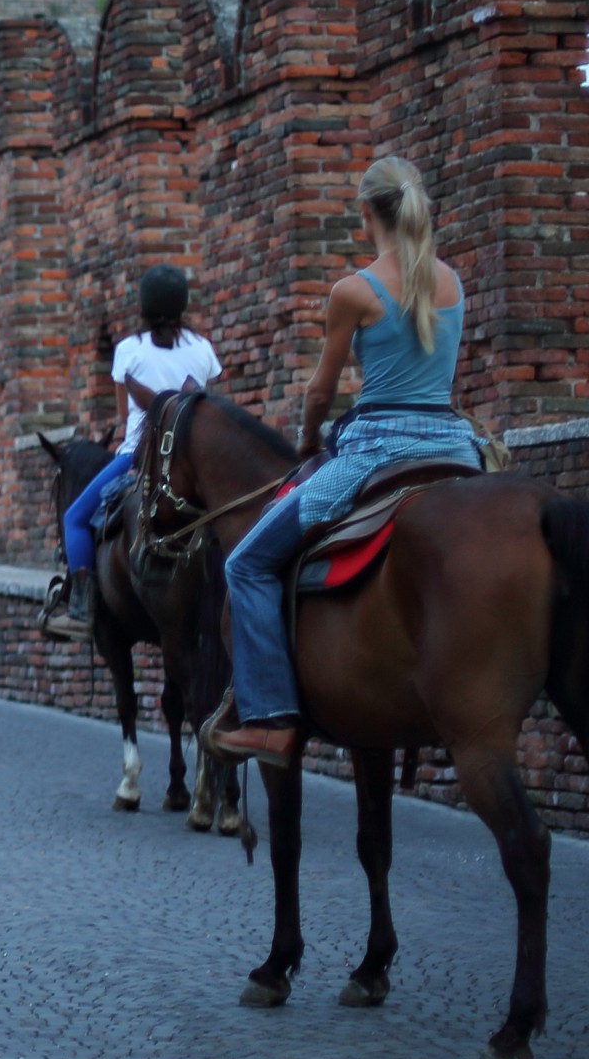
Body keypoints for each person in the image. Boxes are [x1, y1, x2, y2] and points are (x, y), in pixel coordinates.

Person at [211, 156, 482, 766]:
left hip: (376, 452)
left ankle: (270, 719)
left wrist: (309, 440)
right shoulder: (452, 283)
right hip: (458, 451)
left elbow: (320, 391)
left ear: (366, 214)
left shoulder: (354, 291)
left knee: (247, 563)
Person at [44, 266, 221, 638]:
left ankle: (81, 609)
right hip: (196, 461)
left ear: (143, 308)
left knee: (75, 519)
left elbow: (126, 415)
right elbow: (209, 401)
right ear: (183, 306)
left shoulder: (128, 351)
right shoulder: (203, 349)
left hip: (138, 459)